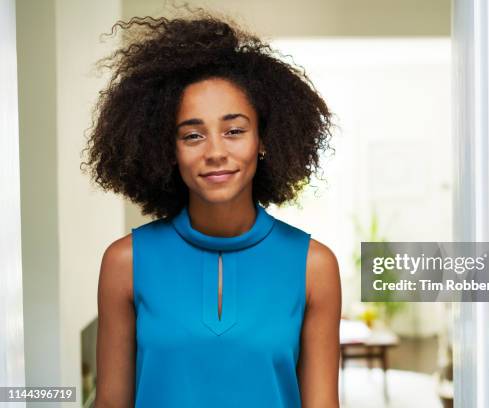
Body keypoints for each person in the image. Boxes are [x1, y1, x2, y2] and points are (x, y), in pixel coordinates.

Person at [81, 7, 341, 408]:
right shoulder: (125, 262)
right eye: (192, 135)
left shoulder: (314, 266)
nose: (216, 152)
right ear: (168, 149)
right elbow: (111, 402)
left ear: (264, 140)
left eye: (234, 131)